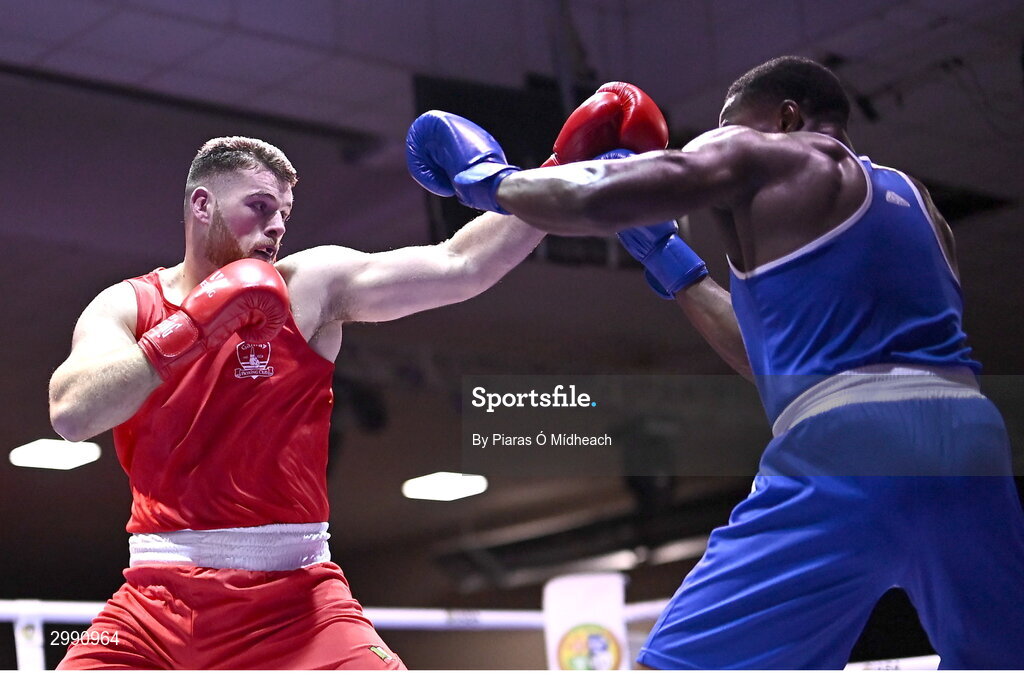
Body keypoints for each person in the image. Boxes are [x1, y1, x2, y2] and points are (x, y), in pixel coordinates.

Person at [406, 56, 1024, 668]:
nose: (721, 142)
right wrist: (673, 265)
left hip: (852, 447)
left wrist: (487, 179)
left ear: (787, 116)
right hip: (971, 441)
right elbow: (780, 369)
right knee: (998, 659)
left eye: (734, 126)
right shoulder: (918, 206)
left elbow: (597, 198)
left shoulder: (783, 152)